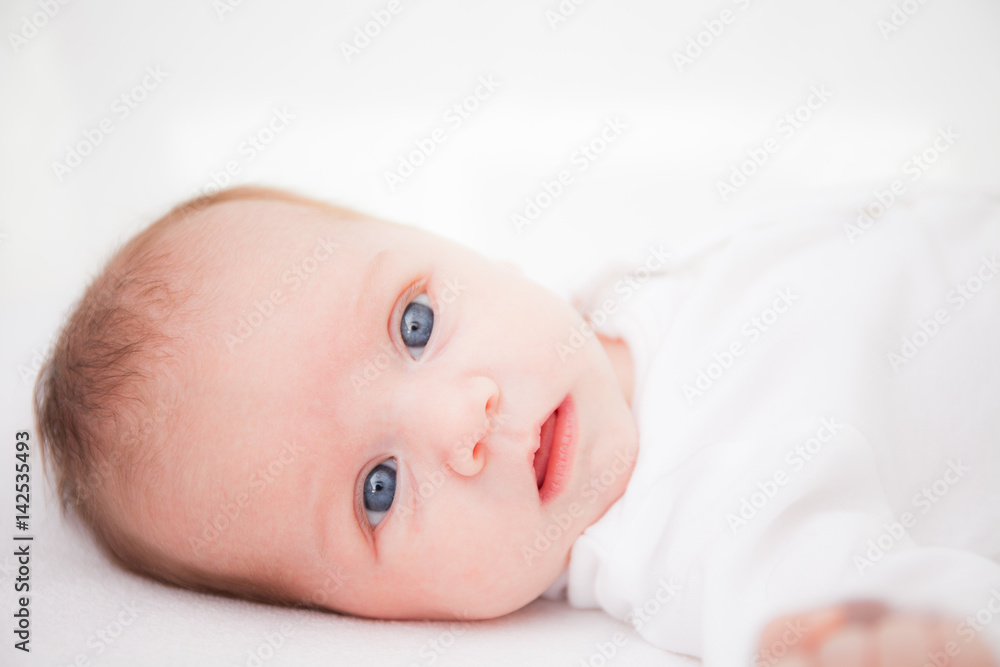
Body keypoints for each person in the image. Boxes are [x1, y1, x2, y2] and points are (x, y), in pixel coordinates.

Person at [34, 185, 1000, 666]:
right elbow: (898, 625)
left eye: (415, 325)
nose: (462, 419)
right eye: (379, 488)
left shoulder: (617, 274)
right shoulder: (700, 527)